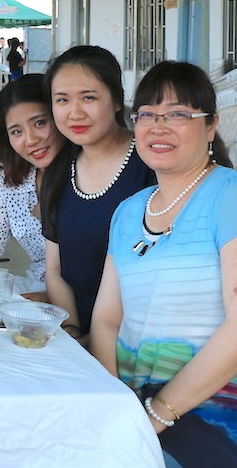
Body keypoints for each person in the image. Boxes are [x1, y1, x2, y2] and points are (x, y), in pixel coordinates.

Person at [91, 61, 237, 467]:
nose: (158, 126)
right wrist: (113, 400)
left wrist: (155, 416)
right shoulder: (129, 211)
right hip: (141, 404)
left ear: (211, 127)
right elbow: (106, 317)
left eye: (178, 115)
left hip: (229, 415)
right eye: (147, 115)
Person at [40, 45, 155, 340]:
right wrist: (73, 333)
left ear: (117, 100)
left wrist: (98, 343)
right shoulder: (58, 171)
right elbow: (54, 268)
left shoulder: (151, 166)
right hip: (76, 333)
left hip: (139, 338)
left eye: (89, 97)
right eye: (62, 100)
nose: (75, 113)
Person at [0, 74, 61, 297]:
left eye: (39, 123)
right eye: (17, 131)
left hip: (89, 304)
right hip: (33, 288)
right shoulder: (11, 181)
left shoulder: (89, 179)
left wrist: (52, 299)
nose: (31, 140)